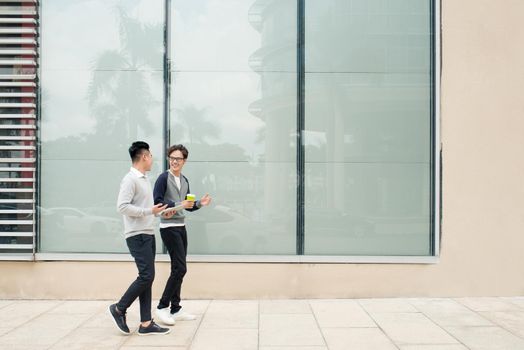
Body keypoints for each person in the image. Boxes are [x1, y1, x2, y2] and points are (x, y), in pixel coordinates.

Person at [109, 141, 171, 336]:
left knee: (147, 278)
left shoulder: (145, 179)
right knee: (146, 276)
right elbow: (122, 206)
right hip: (137, 235)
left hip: (148, 233)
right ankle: (119, 308)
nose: (152, 159)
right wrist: (148, 211)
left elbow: (147, 209)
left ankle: (146, 323)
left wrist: (159, 213)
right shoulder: (130, 179)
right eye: (151, 156)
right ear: (144, 157)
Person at [153, 144, 212, 325]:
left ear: (184, 161)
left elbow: (188, 205)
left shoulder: (185, 180)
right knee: (180, 268)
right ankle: (162, 307)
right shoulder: (163, 178)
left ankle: (176, 308)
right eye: (172, 158)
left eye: (178, 158)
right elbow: (158, 200)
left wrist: (200, 203)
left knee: (177, 269)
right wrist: (178, 203)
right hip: (168, 228)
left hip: (181, 226)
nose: (174, 161)